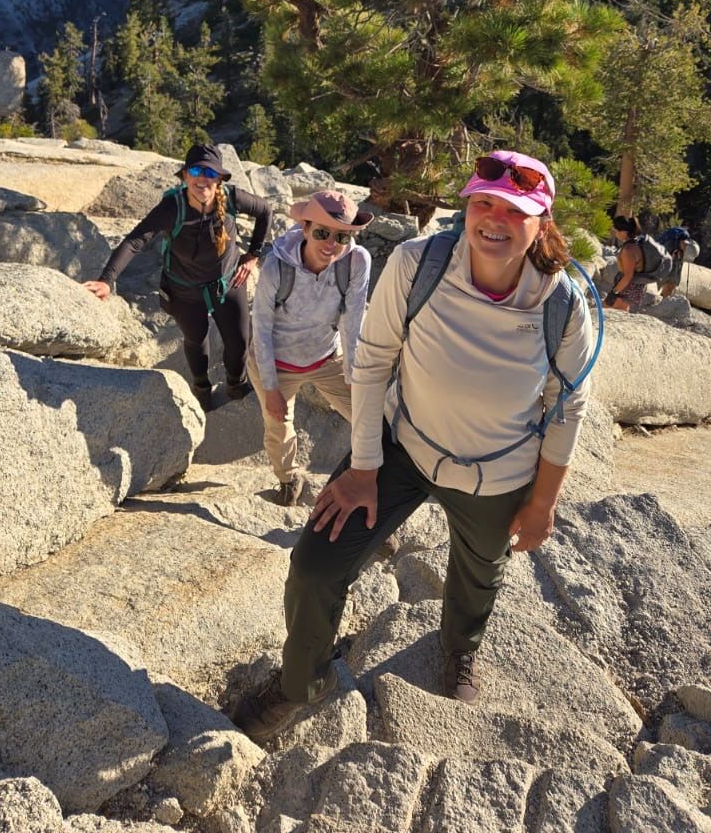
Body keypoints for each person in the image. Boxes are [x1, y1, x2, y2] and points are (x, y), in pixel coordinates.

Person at [236, 150, 594, 741]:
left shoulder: (559, 303)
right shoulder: (418, 264)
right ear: (465, 207)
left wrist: (542, 504)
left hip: (497, 474)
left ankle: (460, 648)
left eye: (514, 208)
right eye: (483, 203)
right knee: (315, 566)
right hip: (402, 446)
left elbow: (568, 405)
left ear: (542, 222)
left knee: (479, 575)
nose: (494, 219)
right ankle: (301, 682)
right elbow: (373, 362)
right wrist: (364, 468)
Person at [84, 142, 272, 407]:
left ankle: (235, 385)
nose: (203, 179)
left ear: (219, 178)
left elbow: (265, 211)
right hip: (185, 290)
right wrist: (106, 280)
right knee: (196, 340)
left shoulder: (232, 198)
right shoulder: (173, 207)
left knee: (239, 342)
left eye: (210, 173)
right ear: (185, 176)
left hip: (228, 282)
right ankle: (202, 390)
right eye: (196, 171)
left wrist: (253, 255)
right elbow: (135, 241)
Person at [247, 190, 373, 507]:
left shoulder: (356, 262)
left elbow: (353, 322)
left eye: (342, 236)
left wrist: (353, 375)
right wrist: (272, 389)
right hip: (276, 360)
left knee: (370, 418)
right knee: (278, 425)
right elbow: (260, 328)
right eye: (321, 232)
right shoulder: (277, 266)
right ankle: (289, 479)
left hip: (327, 357)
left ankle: (364, 485)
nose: (331, 243)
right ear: (304, 229)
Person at [604, 215, 648, 313]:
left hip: (626, 289)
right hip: (632, 288)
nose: (615, 233)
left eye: (616, 231)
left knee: (606, 311)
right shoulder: (636, 244)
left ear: (624, 232)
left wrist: (614, 292)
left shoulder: (628, 250)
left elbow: (628, 276)